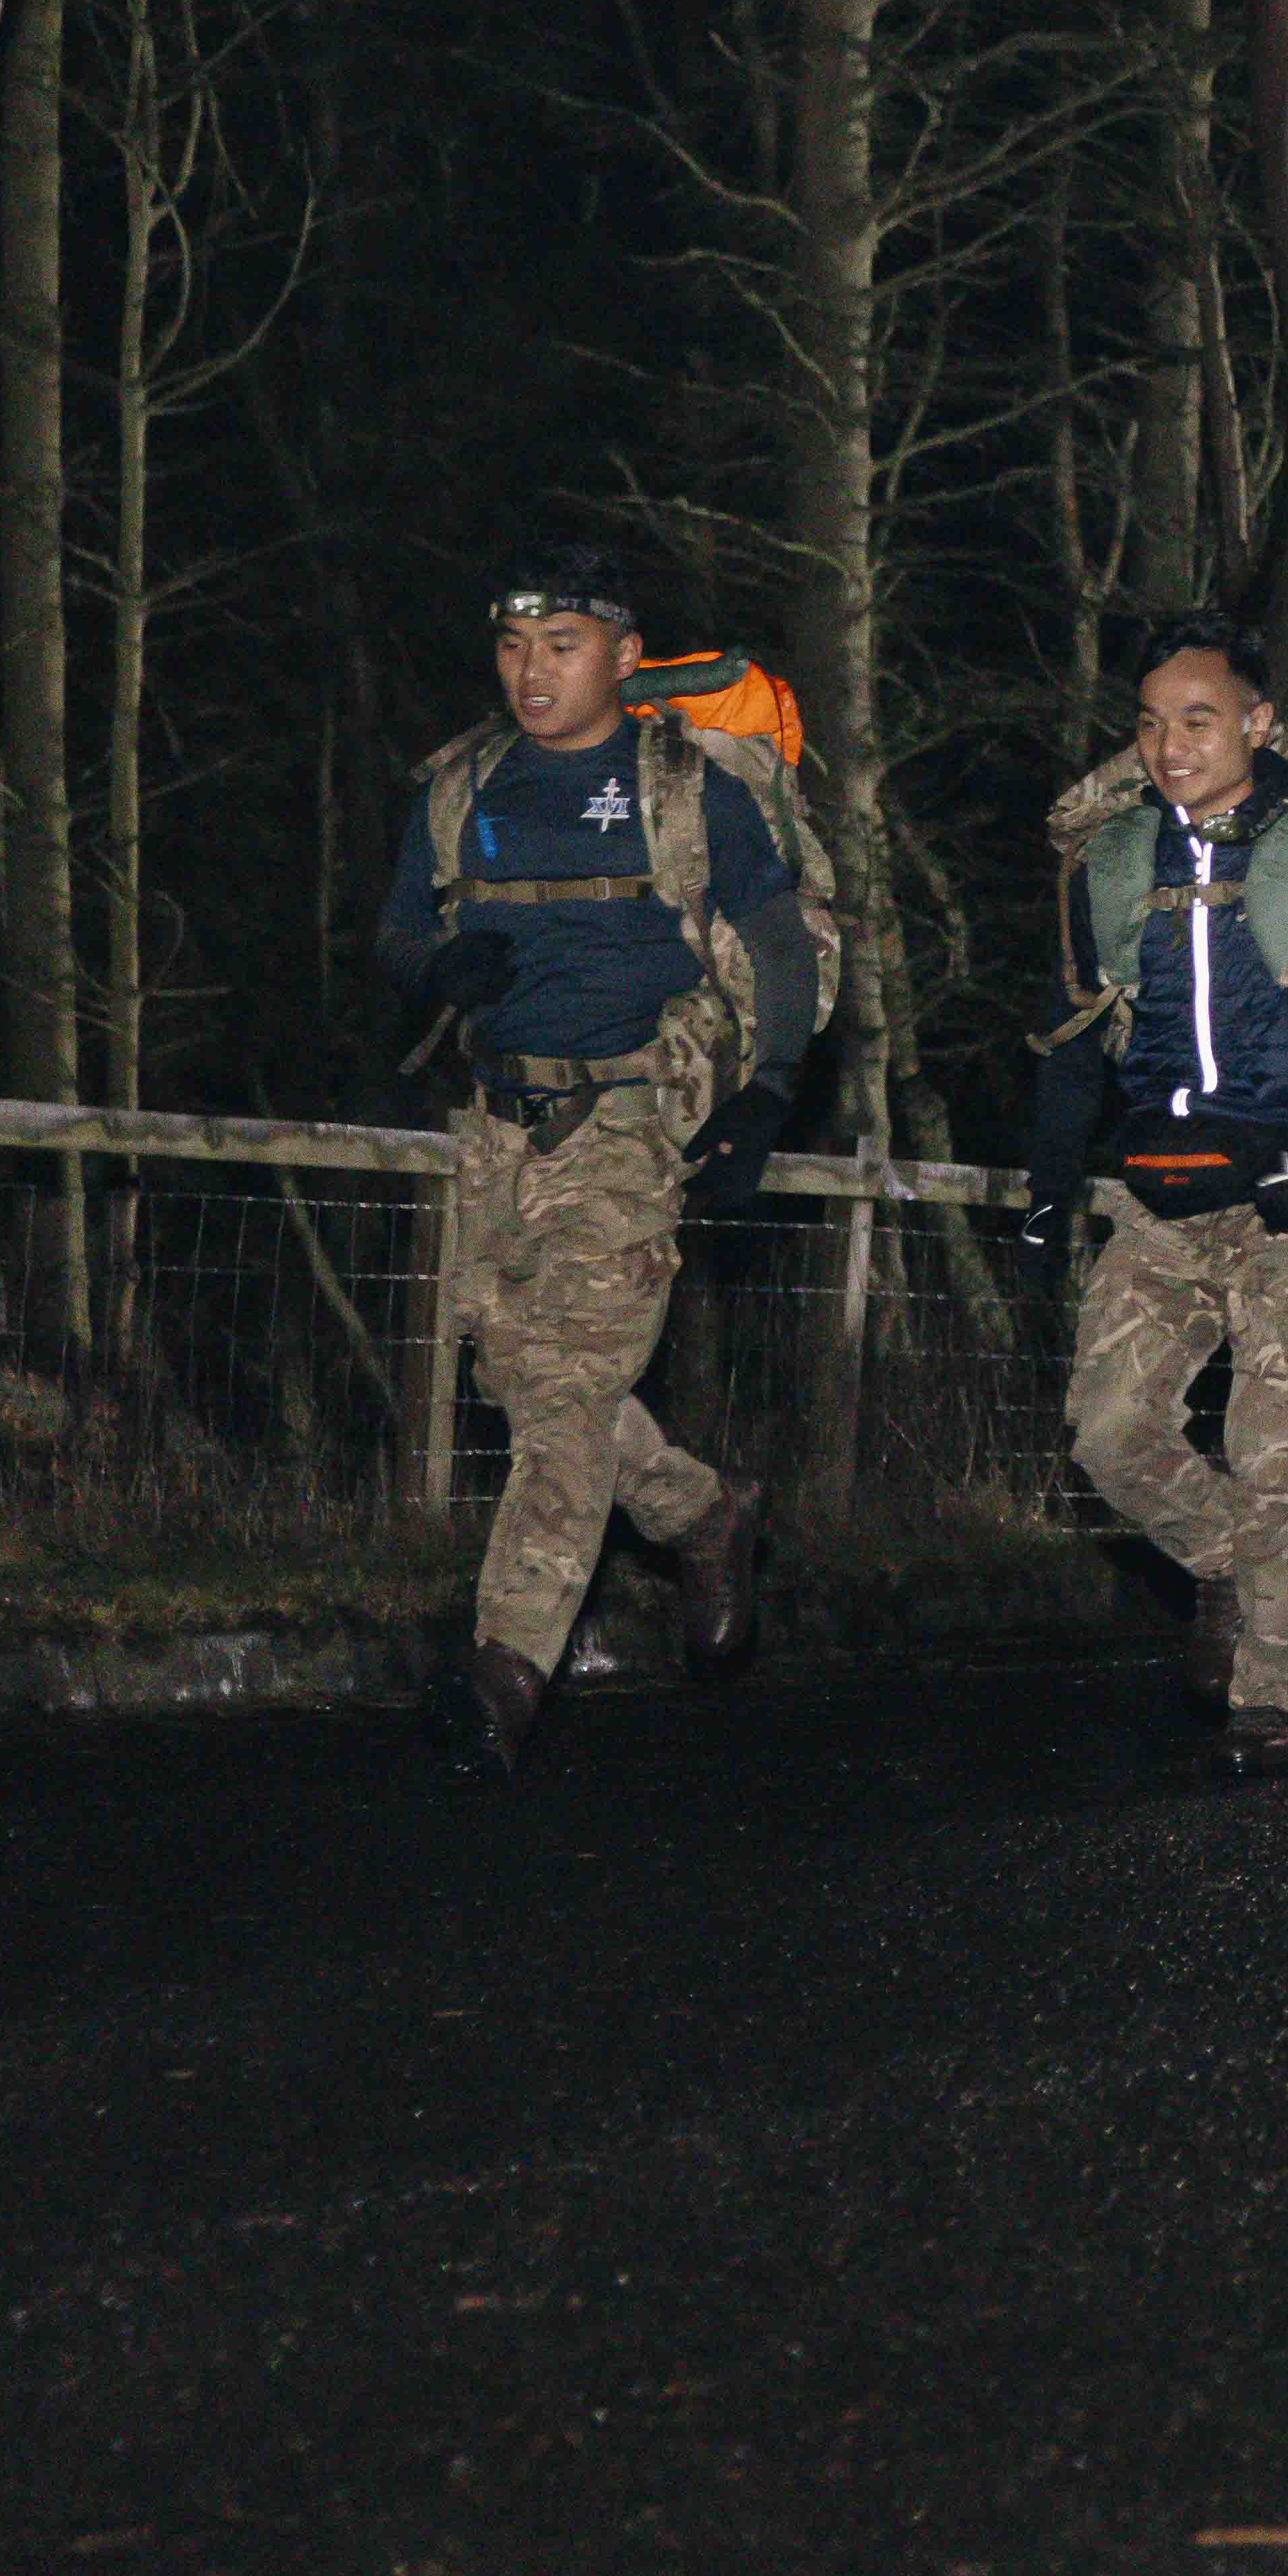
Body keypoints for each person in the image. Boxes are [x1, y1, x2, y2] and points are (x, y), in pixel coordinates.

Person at [380, 545, 819, 1778]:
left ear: (625, 659)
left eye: (562, 645)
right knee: (520, 1377)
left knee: (563, 1403)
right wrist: (432, 967)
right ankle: (704, 1508)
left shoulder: (689, 786)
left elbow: (776, 942)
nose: (533, 669)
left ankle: (501, 1672)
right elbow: (401, 923)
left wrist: (767, 1092)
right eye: (516, 644)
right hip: (493, 1128)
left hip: (629, 1120)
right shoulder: (463, 783)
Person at [1029, 612, 1288, 1775]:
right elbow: (1067, 1044)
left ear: (1256, 722)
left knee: (1283, 1448)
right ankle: (1229, 1564)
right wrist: (1049, 1195)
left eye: (1197, 718)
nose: (1169, 745)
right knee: (1107, 1433)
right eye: (1150, 722)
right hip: (1158, 1192)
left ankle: (1270, 1697)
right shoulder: (1111, 864)